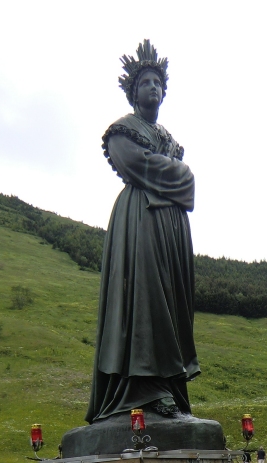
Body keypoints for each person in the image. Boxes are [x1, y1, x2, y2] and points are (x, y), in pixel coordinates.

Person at [85, 40, 199, 424]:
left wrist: (176, 174)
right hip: (140, 223)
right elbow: (141, 166)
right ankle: (143, 389)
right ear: (134, 92)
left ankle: (169, 386)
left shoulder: (168, 138)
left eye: (158, 83)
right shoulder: (122, 132)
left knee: (170, 298)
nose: (153, 87)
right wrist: (180, 174)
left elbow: (174, 176)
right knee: (145, 298)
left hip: (171, 229)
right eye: (145, 82)